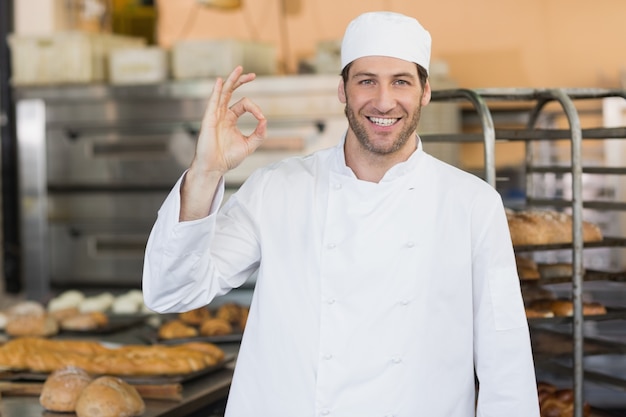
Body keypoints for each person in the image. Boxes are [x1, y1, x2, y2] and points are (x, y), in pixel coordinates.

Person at [143, 11, 540, 417]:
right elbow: (171, 290)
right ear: (342, 90)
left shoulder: (472, 204)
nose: (384, 101)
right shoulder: (277, 189)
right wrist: (206, 171)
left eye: (400, 81)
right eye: (366, 80)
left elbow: (505, 362)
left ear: (425, 92)